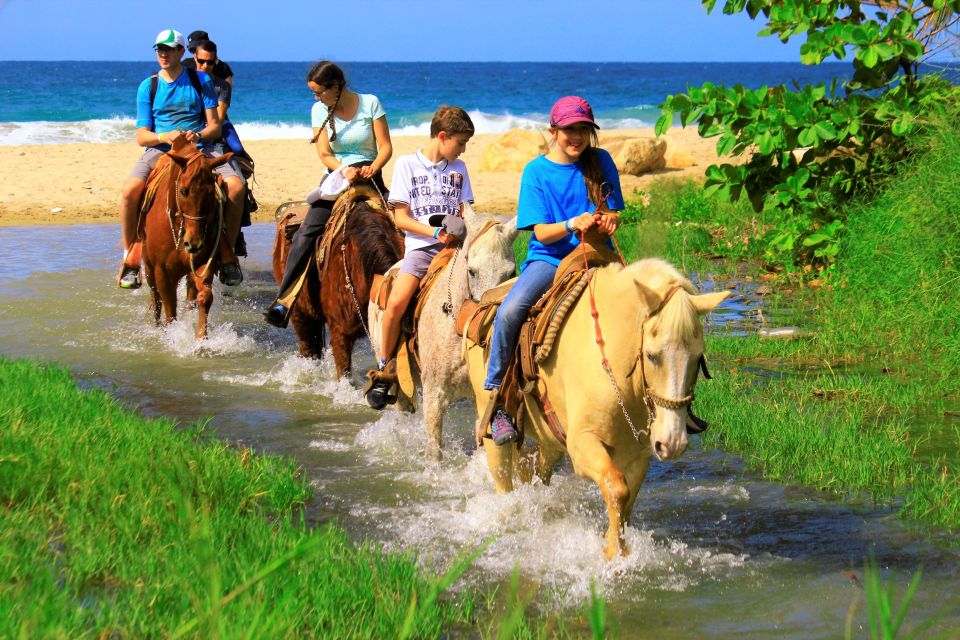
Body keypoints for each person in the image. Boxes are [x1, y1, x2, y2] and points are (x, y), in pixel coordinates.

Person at [481, 96, 624, 444]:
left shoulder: (601, 160)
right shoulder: (536, 172)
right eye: (569, 130)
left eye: (583, 130)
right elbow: (542, 232)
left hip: (597, 253)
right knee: (511, 311)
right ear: (553, 131)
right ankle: (497, 398)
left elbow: (616, 213)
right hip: (551, 259)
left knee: (646, 302)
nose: (576, 137)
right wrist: (574, 222)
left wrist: (607, 222)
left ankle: (657, 398)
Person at [263, 61, 393, 328]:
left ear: (336, 87)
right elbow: (324, 154)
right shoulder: (318, 110)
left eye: (319, 92)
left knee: (398, 226)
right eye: (314, 93)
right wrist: (344, 170)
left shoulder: (370, 103)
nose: (316, 97)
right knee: (307, 231)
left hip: (370, 175)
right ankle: (284, 301)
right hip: (337, 175)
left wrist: (373, 167)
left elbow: (385, 147)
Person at [364, 106, 475, 409]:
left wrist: (465, 229)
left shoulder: (459, 169)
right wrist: (432, 232)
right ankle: (385, 370)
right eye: (460, 143)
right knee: (398, 302)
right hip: (421, 250)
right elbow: (400, 218)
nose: (463, 149)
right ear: (442, 136)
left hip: (454, 250)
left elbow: (466, 210)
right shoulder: (406, 165)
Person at [117, 29, 245, 289]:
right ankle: (131, 256)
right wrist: (164, 135)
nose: (163, 54)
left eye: (168, 49)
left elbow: (214, 127)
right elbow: (142, 136)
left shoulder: (200, 81)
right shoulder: (149, 86)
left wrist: (196, 133)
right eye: (159, 49)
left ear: (180, 52)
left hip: (201, 148)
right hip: (162, 150)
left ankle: (227, 255)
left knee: (236, 187)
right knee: (130, 190)